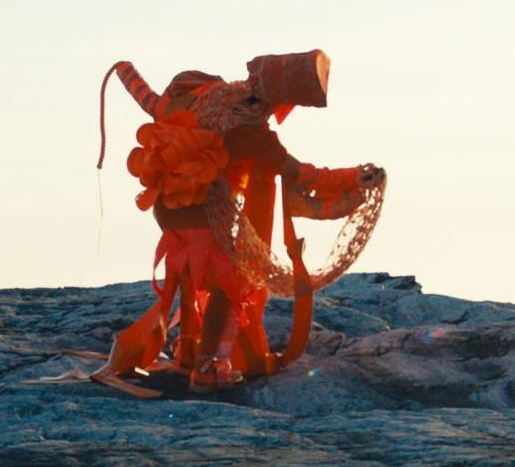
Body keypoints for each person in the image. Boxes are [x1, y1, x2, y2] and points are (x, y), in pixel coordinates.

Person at [98, 52, 380, 389]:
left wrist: (126, 71)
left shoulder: (203, 92)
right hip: (203, 209)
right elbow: (302, 174)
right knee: (229, 283)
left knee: (191, 275)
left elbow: (152, 103)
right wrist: (355, 178)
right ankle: (207, 368)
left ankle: (189, 352)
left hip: (169, 202)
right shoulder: (253, 131)